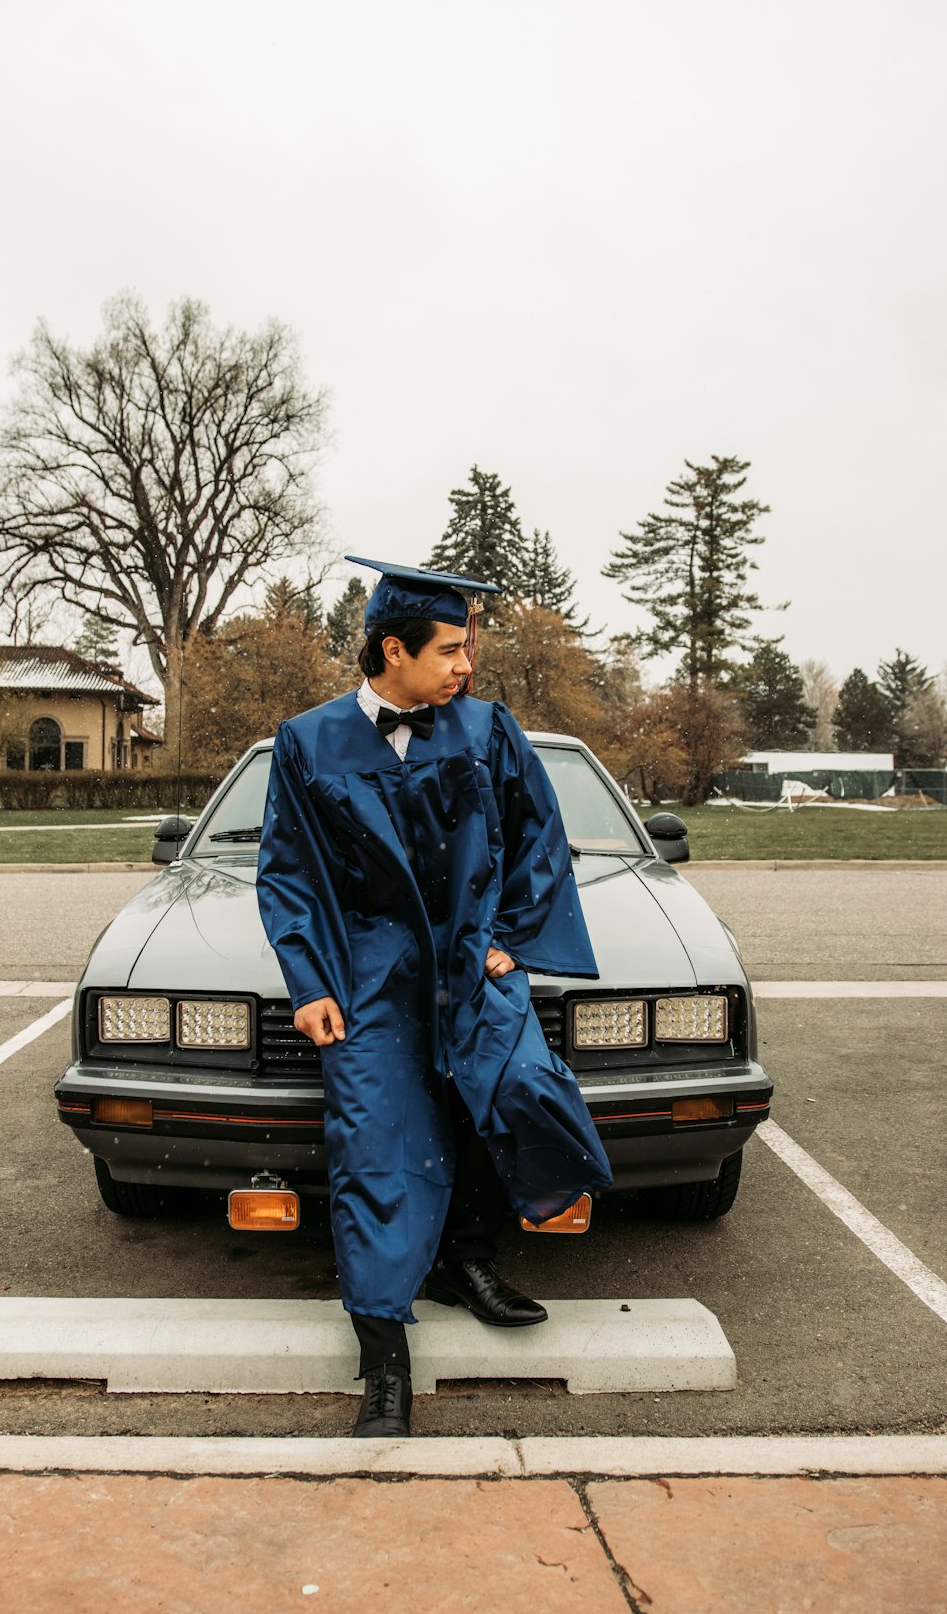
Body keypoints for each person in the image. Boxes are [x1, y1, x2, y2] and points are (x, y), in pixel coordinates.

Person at [256, 556, 612, 1437]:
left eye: (467, 648)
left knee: (503, 1097)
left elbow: (541, 839)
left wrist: (509, 938)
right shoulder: (309, 742)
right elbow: (289, 872)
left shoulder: (488, 730)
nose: (465, 666)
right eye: (450, 649)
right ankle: (383, 1354)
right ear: (393, 650)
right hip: (369, 974)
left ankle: (467, 1260)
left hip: (470, 959)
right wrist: (309, 983)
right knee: (377, 1140)